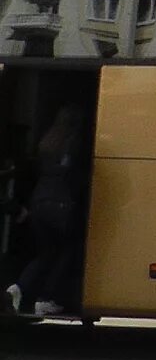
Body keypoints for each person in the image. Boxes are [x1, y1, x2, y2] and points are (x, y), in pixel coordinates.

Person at [7, 106, 87, 318]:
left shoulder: (47, 142)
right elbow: (75, 176)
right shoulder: (74, 143)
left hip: (38, 203)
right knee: (68, 250)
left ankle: (19, 287)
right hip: (61, 205)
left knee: (46, 252)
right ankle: (47, 298)